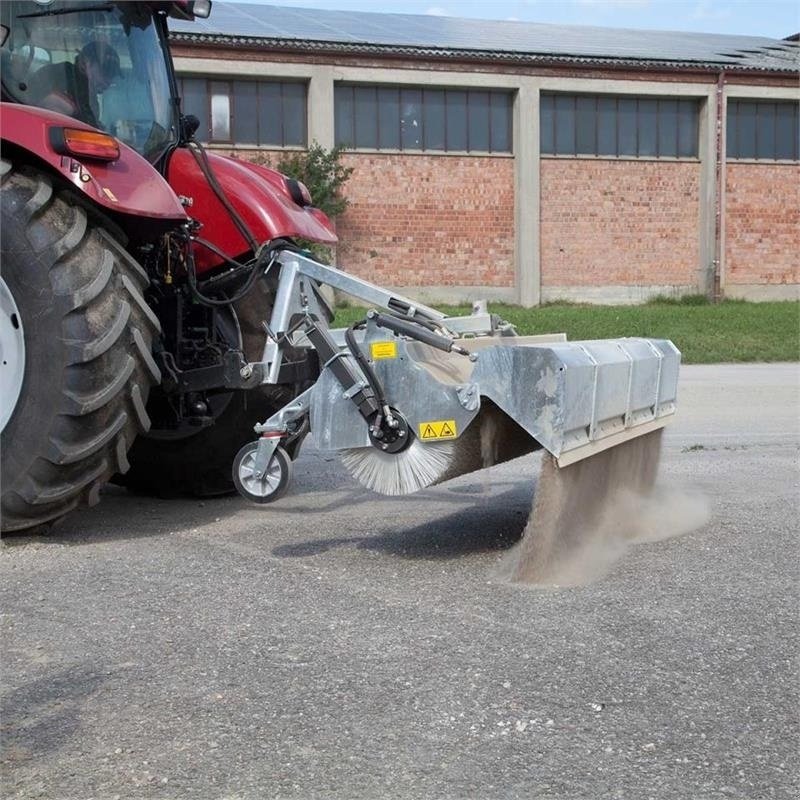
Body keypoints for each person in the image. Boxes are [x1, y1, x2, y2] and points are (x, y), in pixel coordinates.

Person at [25, 40, 120, 128]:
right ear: (85, 62)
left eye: (112, 76)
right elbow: (53, 111)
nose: (108, 81)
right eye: (105, 73)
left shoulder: (90, 97)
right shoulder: (60, 76)